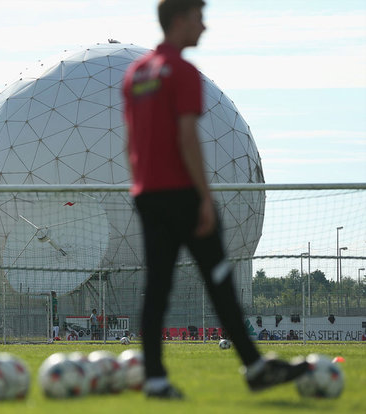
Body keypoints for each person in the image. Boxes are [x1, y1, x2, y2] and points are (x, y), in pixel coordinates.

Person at [122, 0, 309, 399]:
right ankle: (255, 367)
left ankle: (155, 378)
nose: (204, 27)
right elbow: (187, 136)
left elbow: (132, 139)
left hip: (148, 194)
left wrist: (143, 188)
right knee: (220, 281)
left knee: (156, 288)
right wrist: (204, 197)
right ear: (179, 20)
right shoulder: (183, 72)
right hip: (182, 195)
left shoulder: (136, 75)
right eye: (198, 18)